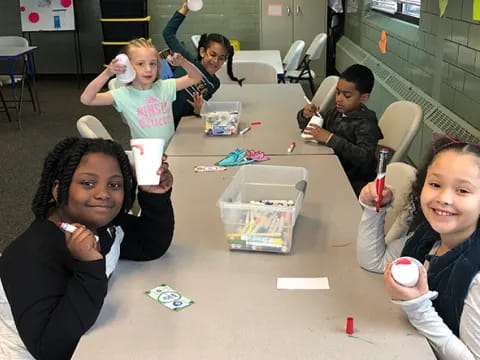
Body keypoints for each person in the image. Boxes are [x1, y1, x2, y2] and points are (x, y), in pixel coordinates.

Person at [0, 137, 175, 359]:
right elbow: (51, 348)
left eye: (114, 185)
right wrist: (89, 267)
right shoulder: (30, 255)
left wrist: (154, 195)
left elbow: (149, 246)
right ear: (58, 189)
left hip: (90, 333)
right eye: (88, 183)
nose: (103, 194)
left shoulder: (102, 224)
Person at [357, 134, 480, 360]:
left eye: (462, 190)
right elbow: (373, 262)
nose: (443, 198)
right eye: (435, 184)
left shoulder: (475, 277)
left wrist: (418, 308)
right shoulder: (429, 235)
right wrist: (374, 209)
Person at [80, 38, 203, 146]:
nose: (148, 69)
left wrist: (183, 62)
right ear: (127, 66)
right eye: (140, 64)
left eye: (153, 64)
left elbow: (196, 77)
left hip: (171, 151)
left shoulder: (165, 87)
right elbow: (87, 99)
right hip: (146, 156)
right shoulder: (123, 95)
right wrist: (107, 73)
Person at [297, 64, 383, 195]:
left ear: (363, 98)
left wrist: (330, 138)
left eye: (347, 96)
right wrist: (306, 116)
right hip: (331, 166)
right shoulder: (337, 111)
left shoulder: (366, 123)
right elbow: (315, 129)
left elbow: (365, 158)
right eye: (337, 92)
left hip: (351, 180)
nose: (339, 99)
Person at [163, 2, 243, 129]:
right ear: (202, 52)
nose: (216, 61)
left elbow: (197, 110)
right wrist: (185, 9)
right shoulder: (187, 60)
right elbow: (168, 33)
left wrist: (198, 110)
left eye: (222, 58)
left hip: (181, 126)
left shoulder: (214, 83)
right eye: (213, 54)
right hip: (161, 118)